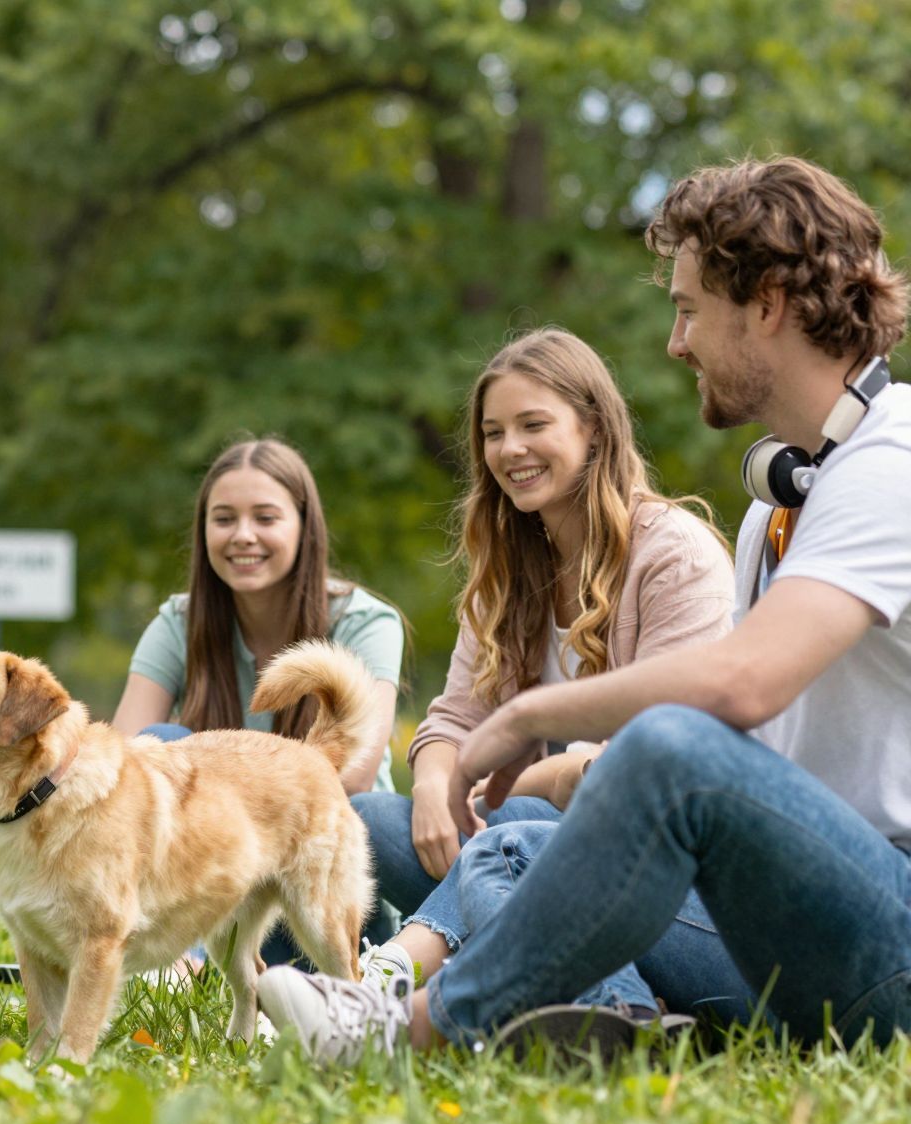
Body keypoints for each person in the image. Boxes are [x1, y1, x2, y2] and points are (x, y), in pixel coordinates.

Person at [259, 155, 911, 1060]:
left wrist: (530, 720)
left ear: (766, 302)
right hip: (786, 918)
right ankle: (615, 1018)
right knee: (493, 843)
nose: (676, 343)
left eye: (689, 309)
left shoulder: (889, 466)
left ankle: (399, 1031)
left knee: (656, 753)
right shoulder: (784, 492)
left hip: (889, 932)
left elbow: (739, 689)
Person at [346, 327, 736, 1014]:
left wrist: (527, 782)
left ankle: (375, 993)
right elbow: (452, 722)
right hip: (524, 845)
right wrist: (438, 781)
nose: (510, 450)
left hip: (667, 880)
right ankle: (596, 998)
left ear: (593, 428)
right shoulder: (510, 569)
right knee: (368, 822)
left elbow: (654, 765)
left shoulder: (674, 555)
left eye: (534, 425)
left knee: (519, 824)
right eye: (494, 433)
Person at [110, 437, 404, 972]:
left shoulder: (364, 622)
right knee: (162, 745)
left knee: (365, 810)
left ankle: (350, 975)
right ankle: (183, 963)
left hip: (323, 883)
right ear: (204, 532)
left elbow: (355, 775)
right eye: (224, 519)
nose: (243, 535)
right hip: (216, 896)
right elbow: (119, 767)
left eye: (265, 517)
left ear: (303, 525)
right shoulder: (180, 622)